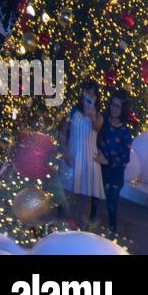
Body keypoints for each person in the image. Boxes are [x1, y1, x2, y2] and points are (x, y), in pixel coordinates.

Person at [62, 81, 104, 227]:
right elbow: (63, 132)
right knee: (67, 195)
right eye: (87, 92)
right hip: (72, 156)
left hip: (89, 160)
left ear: (97, 97)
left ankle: (82, 227)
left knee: (86, 197)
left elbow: (96, 127)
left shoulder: (99, 116)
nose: (89, 96)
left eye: (93, 94)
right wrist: (65, 150)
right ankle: (65, 225)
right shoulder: (72, 111)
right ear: (82, 93)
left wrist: (92, 114)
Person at [95, 91, 134, 234]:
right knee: (95, 199)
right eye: (112, 104)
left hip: (115, 174)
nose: (114, 108)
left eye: (118, 106)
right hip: (99, 170)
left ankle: (112, 232)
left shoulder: (125, 132)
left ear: (123, 110)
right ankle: (90, 224)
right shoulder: (102, 122)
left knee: (111, 204)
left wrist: (107, 161)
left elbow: (125, 157)